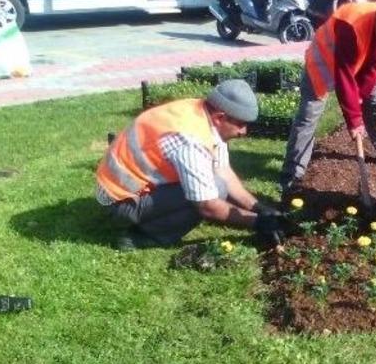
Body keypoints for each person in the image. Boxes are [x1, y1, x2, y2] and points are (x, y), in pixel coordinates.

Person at [95, 80, 283, 250]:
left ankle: (150, 222)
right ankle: (140, 236)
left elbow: (223, 171)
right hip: (119, 202)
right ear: (220, 117)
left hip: (128, 191)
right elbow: (207, 205)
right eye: (241, 124)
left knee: (218, 184)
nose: (244, 132)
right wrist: (257, 223)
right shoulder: (191, 139)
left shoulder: (202, 113)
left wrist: (259, 208)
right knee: (213, 191)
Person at [279, 0, 376, 193]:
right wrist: (354, 120)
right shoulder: (350, 25)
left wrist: (361, 94)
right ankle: (292, 173)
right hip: (324, 59)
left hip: (364, 62)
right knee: (308, 115)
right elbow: (344, 76)